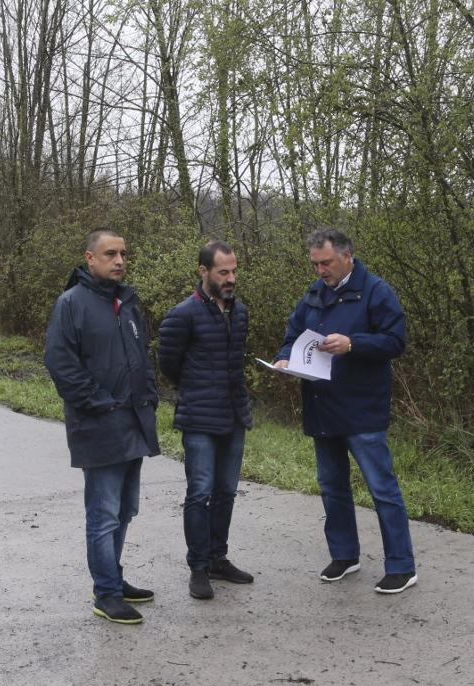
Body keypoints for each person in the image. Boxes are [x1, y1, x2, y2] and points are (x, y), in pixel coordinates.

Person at [274, 227, 417, 593]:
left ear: (347, 256)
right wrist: (285, 358)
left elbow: (395, 341)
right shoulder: (313, 294)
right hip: (322, 406)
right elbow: (292, 335)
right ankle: (344, 555)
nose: (320, 271)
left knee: (382, 488)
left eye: (326, 263)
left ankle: (401, 566)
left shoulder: (376, 291)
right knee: (332, 487)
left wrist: (354, 344)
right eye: (315, 264)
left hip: (362, 408)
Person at [45, 229, 160, 624]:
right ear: (90, 258)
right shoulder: (71, 304)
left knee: (125, 510)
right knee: (104, 513)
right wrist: (102, 403)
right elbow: (61, 364)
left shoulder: (125, 302)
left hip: (133, 423)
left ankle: (114, 577)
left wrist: (148, 395)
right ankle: (106, 594)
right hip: (98, 426)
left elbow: (140, 358)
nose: (120, 261)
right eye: (110, 254)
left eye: (123, 253)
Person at [158, 241, 255, 601]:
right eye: (223, 272)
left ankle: (218, 558)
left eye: (234, 271)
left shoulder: (240, 312)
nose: (231, 278)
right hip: (199, 417)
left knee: (226, 491)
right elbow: (169, 365)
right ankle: (198, 567)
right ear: (204, 271)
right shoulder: (182, 314)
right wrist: (197, 390)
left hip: (234, 416)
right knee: (199, 493)